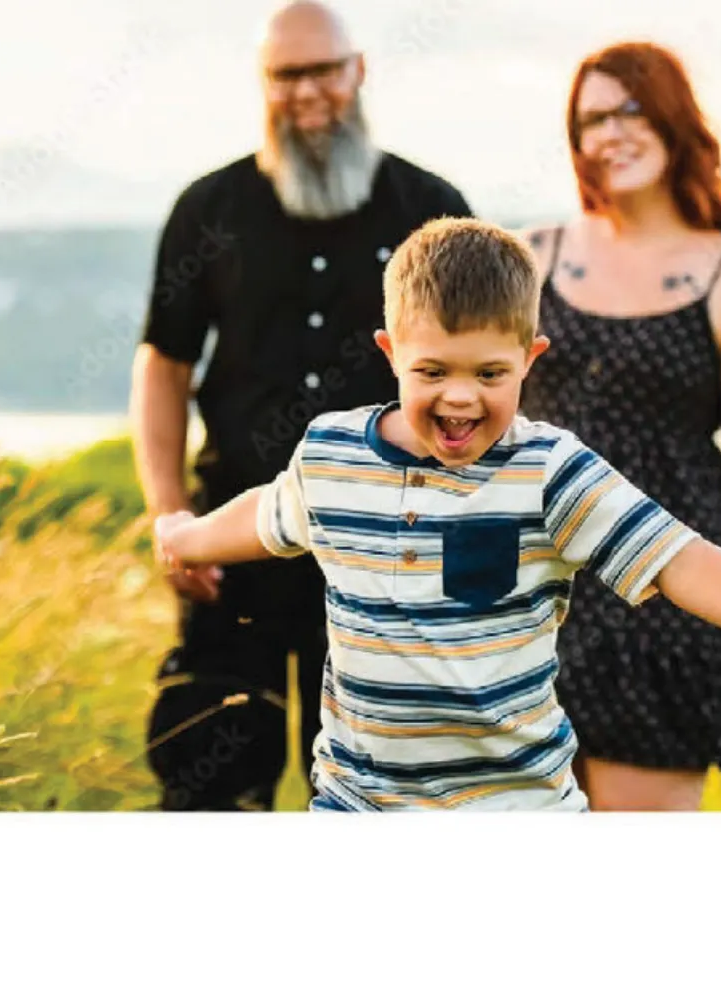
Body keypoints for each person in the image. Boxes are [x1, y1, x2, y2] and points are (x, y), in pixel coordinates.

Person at [152, 218, 721, 812]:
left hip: (513, 806)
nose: (460, 398)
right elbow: (267, 518)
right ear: (391, 351)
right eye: (432, 371)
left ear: (530, 359)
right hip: (357, 803)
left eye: (490, 374)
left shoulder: (550, 472)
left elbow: (678, 556)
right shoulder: (334, 454)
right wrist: (186, 536)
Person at [129, 0, 473, 811]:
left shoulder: (432, 208)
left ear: (360, 71)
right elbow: (164, 367)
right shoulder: (206, 210)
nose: (308, 91)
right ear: (262, 84)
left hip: (388, 557)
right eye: (287, 75)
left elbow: (475, 385)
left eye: (325, 69)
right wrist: (169, 517)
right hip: (231, 553)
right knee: (210, 790)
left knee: (376, 801)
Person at [517, 41, 721, 810]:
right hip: (530, 596)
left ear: (675, 118)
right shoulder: (527, 258)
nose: (611, 132)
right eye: (592, 119)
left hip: (667, 605)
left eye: (631, 109)